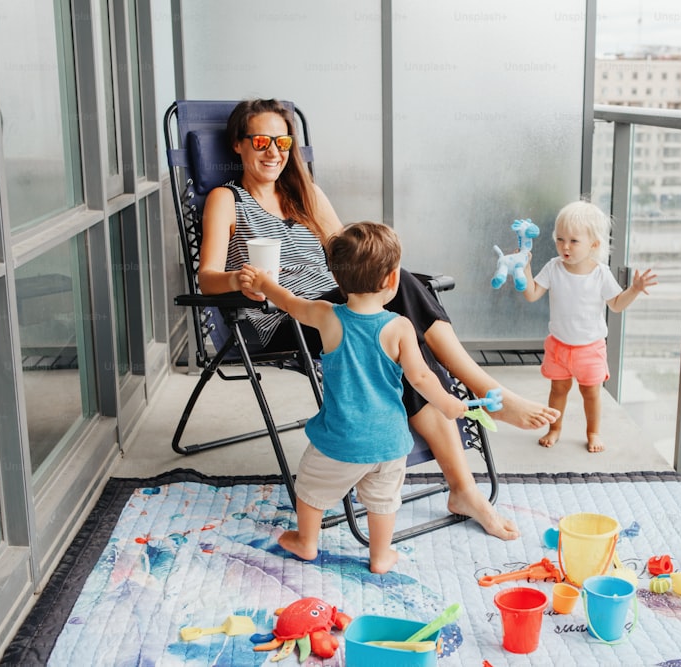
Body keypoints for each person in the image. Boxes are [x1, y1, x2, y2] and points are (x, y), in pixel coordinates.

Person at [198, 98, 559, 541]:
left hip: (343, 306)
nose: (273, 151)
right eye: (260, 140)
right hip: (287, 318)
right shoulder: (226, 199)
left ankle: (465, 485)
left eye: (283, 141)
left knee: (402, 336)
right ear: (238, 145)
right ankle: (484, 409)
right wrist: (240, 280)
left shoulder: (305, 195)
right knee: (397, 331)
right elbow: (208, 278)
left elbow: (348, 257)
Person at [239, 222, 468, 573]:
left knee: (311, 489)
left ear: (336, 278)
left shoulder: (326, 316)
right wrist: (447, 404)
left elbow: (288, 302)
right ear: (393, 280)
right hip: (390, 442)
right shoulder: (400, 327)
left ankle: (306, 541)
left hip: (340, 440)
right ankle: (380, 556)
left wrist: (263, 282)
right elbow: (421, 376)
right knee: (383, 500)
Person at [521, 200, 657, 453]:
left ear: (593, 245)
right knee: (558, 389)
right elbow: (531, 294)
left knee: (591, 393)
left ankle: (593, 432)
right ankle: (555, 428)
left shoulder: (600, 273)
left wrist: (635, 290)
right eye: (560, 239)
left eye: (574, 241)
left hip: (590, 349)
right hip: (559, 346)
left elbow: (616, 305)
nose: (565, 246)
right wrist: (525, 269)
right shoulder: (554, 267)